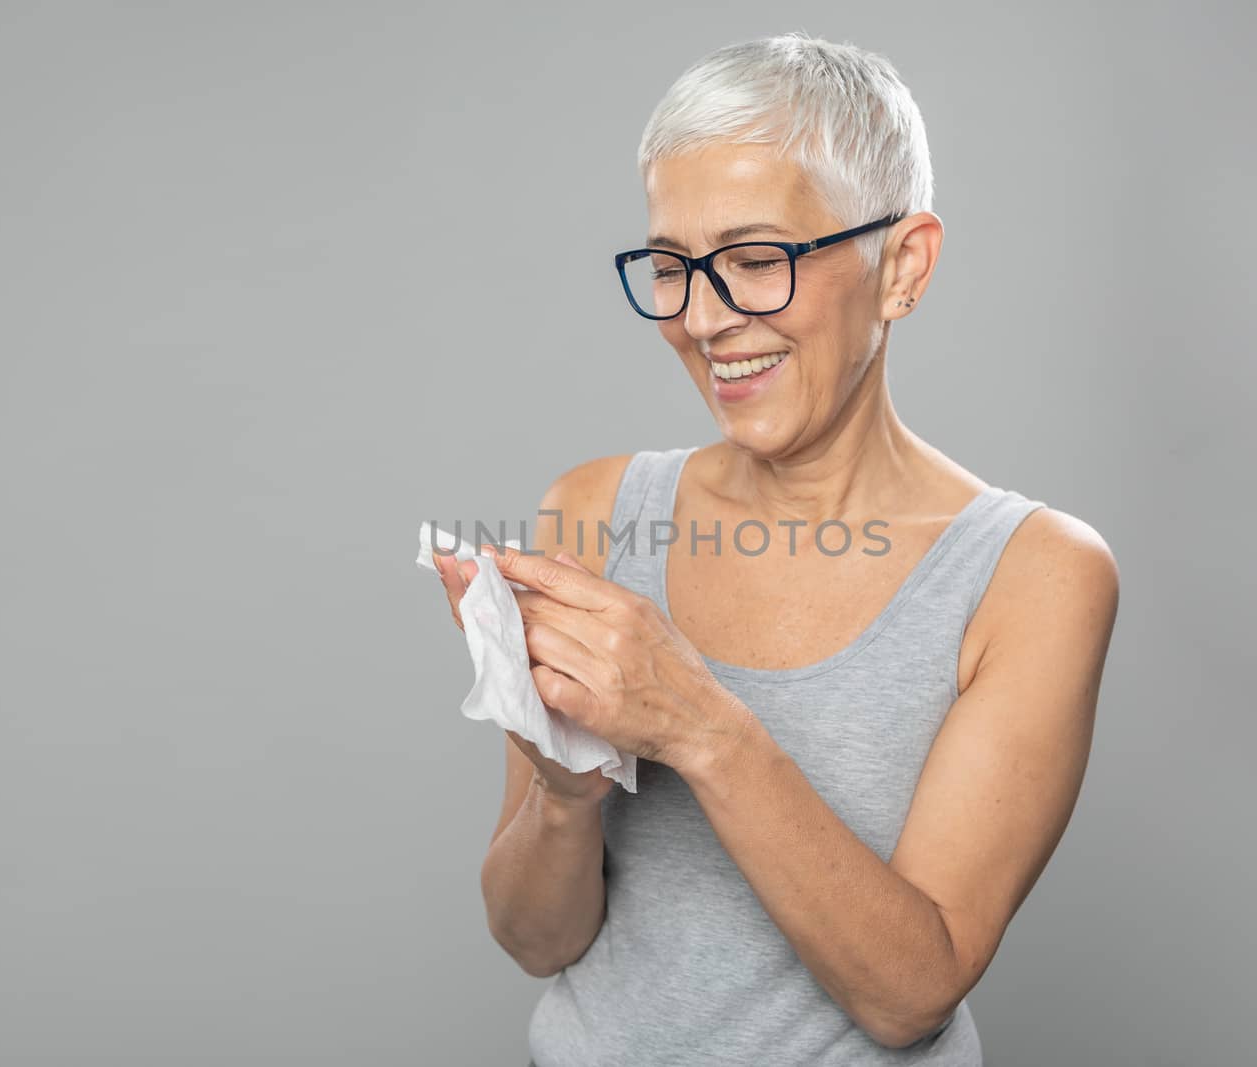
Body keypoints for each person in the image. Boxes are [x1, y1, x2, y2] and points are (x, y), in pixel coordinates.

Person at [430, 30, 1119, 1067]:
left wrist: (699, 724)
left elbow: (909, 992)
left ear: (903, 264)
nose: (703, 319)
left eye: (756, 260)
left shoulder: (1033, 574)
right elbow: (536, 940)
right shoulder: (594, 510)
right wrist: (565, 791)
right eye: (671, 267)